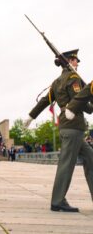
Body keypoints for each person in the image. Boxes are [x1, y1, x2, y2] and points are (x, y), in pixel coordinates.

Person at [24, 49, 93, 212]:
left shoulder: (56, 82)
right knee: (66, 164)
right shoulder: (74, 78)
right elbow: (79, 101)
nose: (78, 63)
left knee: (91, 158)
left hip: (65, 127)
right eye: (75, 60)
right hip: (73, 125)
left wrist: (31, 116)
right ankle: (57, 200)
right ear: (69, 61)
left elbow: (44, 101)